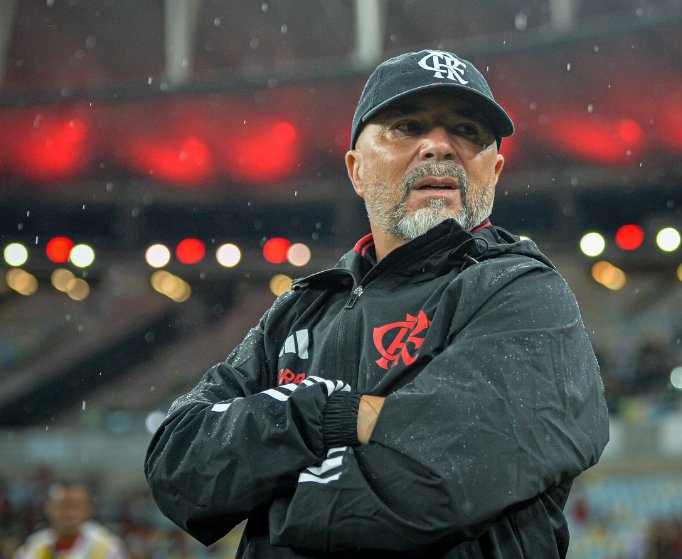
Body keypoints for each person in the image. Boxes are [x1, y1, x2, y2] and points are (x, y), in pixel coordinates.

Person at [145, 49, 609, 558]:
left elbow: (440, 482)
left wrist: (271, 505)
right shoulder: (301, 310)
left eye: (468, 131)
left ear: (494, 171)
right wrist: (323, 415)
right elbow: (179, 464)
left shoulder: (523, 291)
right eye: (407, 126)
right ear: (356, 170)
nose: (439, 146)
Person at [13, 480, 128, 559]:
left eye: (76, 506)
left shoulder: (107, 549)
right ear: (47, 508)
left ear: (88, 509)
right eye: (62, 506)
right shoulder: (34, 548)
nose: (69, 513)